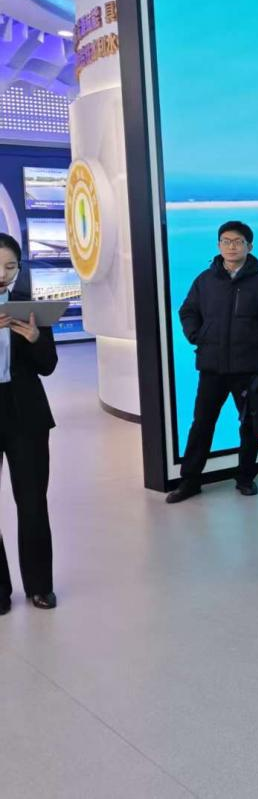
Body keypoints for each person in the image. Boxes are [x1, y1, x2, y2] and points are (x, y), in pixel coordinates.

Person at [167, 221, 258, 504]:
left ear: (249, 246)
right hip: (212, 367)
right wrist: (198, 336)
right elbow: (187, 311)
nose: (232, 247)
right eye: (226, 241)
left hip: (249, 368)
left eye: (238, 241)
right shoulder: (205, 280)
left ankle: (245, 478)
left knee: (250, 426)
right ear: (219, 245)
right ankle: (189, 481)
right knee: (201, 424)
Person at [0, 233, 58, 613]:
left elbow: (48, 366)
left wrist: (36, 337)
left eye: (10, 267)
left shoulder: (29, 307)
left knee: (33, 501)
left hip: (26, 414)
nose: (3, 275)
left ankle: (39, 586)